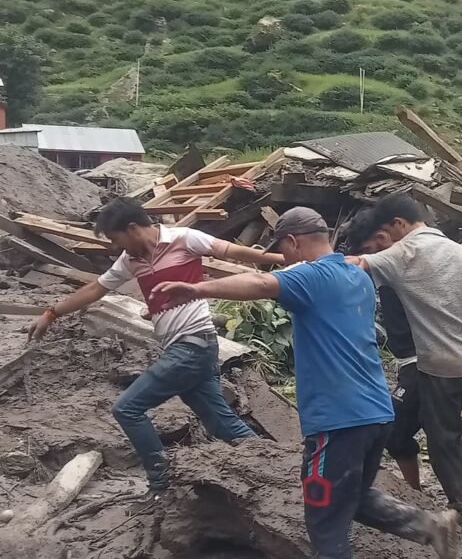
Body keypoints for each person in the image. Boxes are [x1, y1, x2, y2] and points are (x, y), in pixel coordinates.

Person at [151, 207, 460, 559]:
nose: (284, 261)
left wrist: (196, 289)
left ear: (293, 242)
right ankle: (428, 526)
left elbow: (261, 283)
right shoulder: (357, 276)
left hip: (338, 419)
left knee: (324, 521)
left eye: (283, 251)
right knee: (353, 496)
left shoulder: (312, 276)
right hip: (376, 412)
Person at [26, 197, 282, 510]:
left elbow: (230, 251)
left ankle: (161, 485)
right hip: (184, 348)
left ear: (132, 228)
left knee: (127, 409)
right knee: (221, 423)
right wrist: (51, 313)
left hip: (194, 343)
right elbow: (95, 289)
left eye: (114, 238)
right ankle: (280, 466)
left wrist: (282, 258)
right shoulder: (130, 260)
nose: (114, 246)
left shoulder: (184, 238)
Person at [344, 220, 462, 518]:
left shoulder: (403, 262)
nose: (371, 254)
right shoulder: (411, 262)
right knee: (443, 422)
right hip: (434, 359)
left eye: (370, 247)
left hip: (423, 362)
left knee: (403, 431)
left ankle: (436, 495)